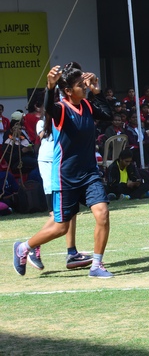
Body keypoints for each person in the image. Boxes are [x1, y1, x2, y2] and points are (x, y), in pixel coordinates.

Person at [12, 62, 115, 278]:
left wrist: (97, 91)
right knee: (61, 227)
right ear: (68, 91)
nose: (84, 87)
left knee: (102, 214)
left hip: (89, 174)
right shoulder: (60, 109)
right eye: (80, 85)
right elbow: (49, 108)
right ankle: (23, 248)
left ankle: (96, 266)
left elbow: (107, 114)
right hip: (65, 177)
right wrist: (50, 87)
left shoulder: (87, 105)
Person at [36, 117, 92, 270]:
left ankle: (72, 252)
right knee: (56, 215)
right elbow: (43, 134)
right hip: (49, 165)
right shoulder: (43, 122)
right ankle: (33, 246)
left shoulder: (70, 119)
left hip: (65, 165)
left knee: (72, 210)